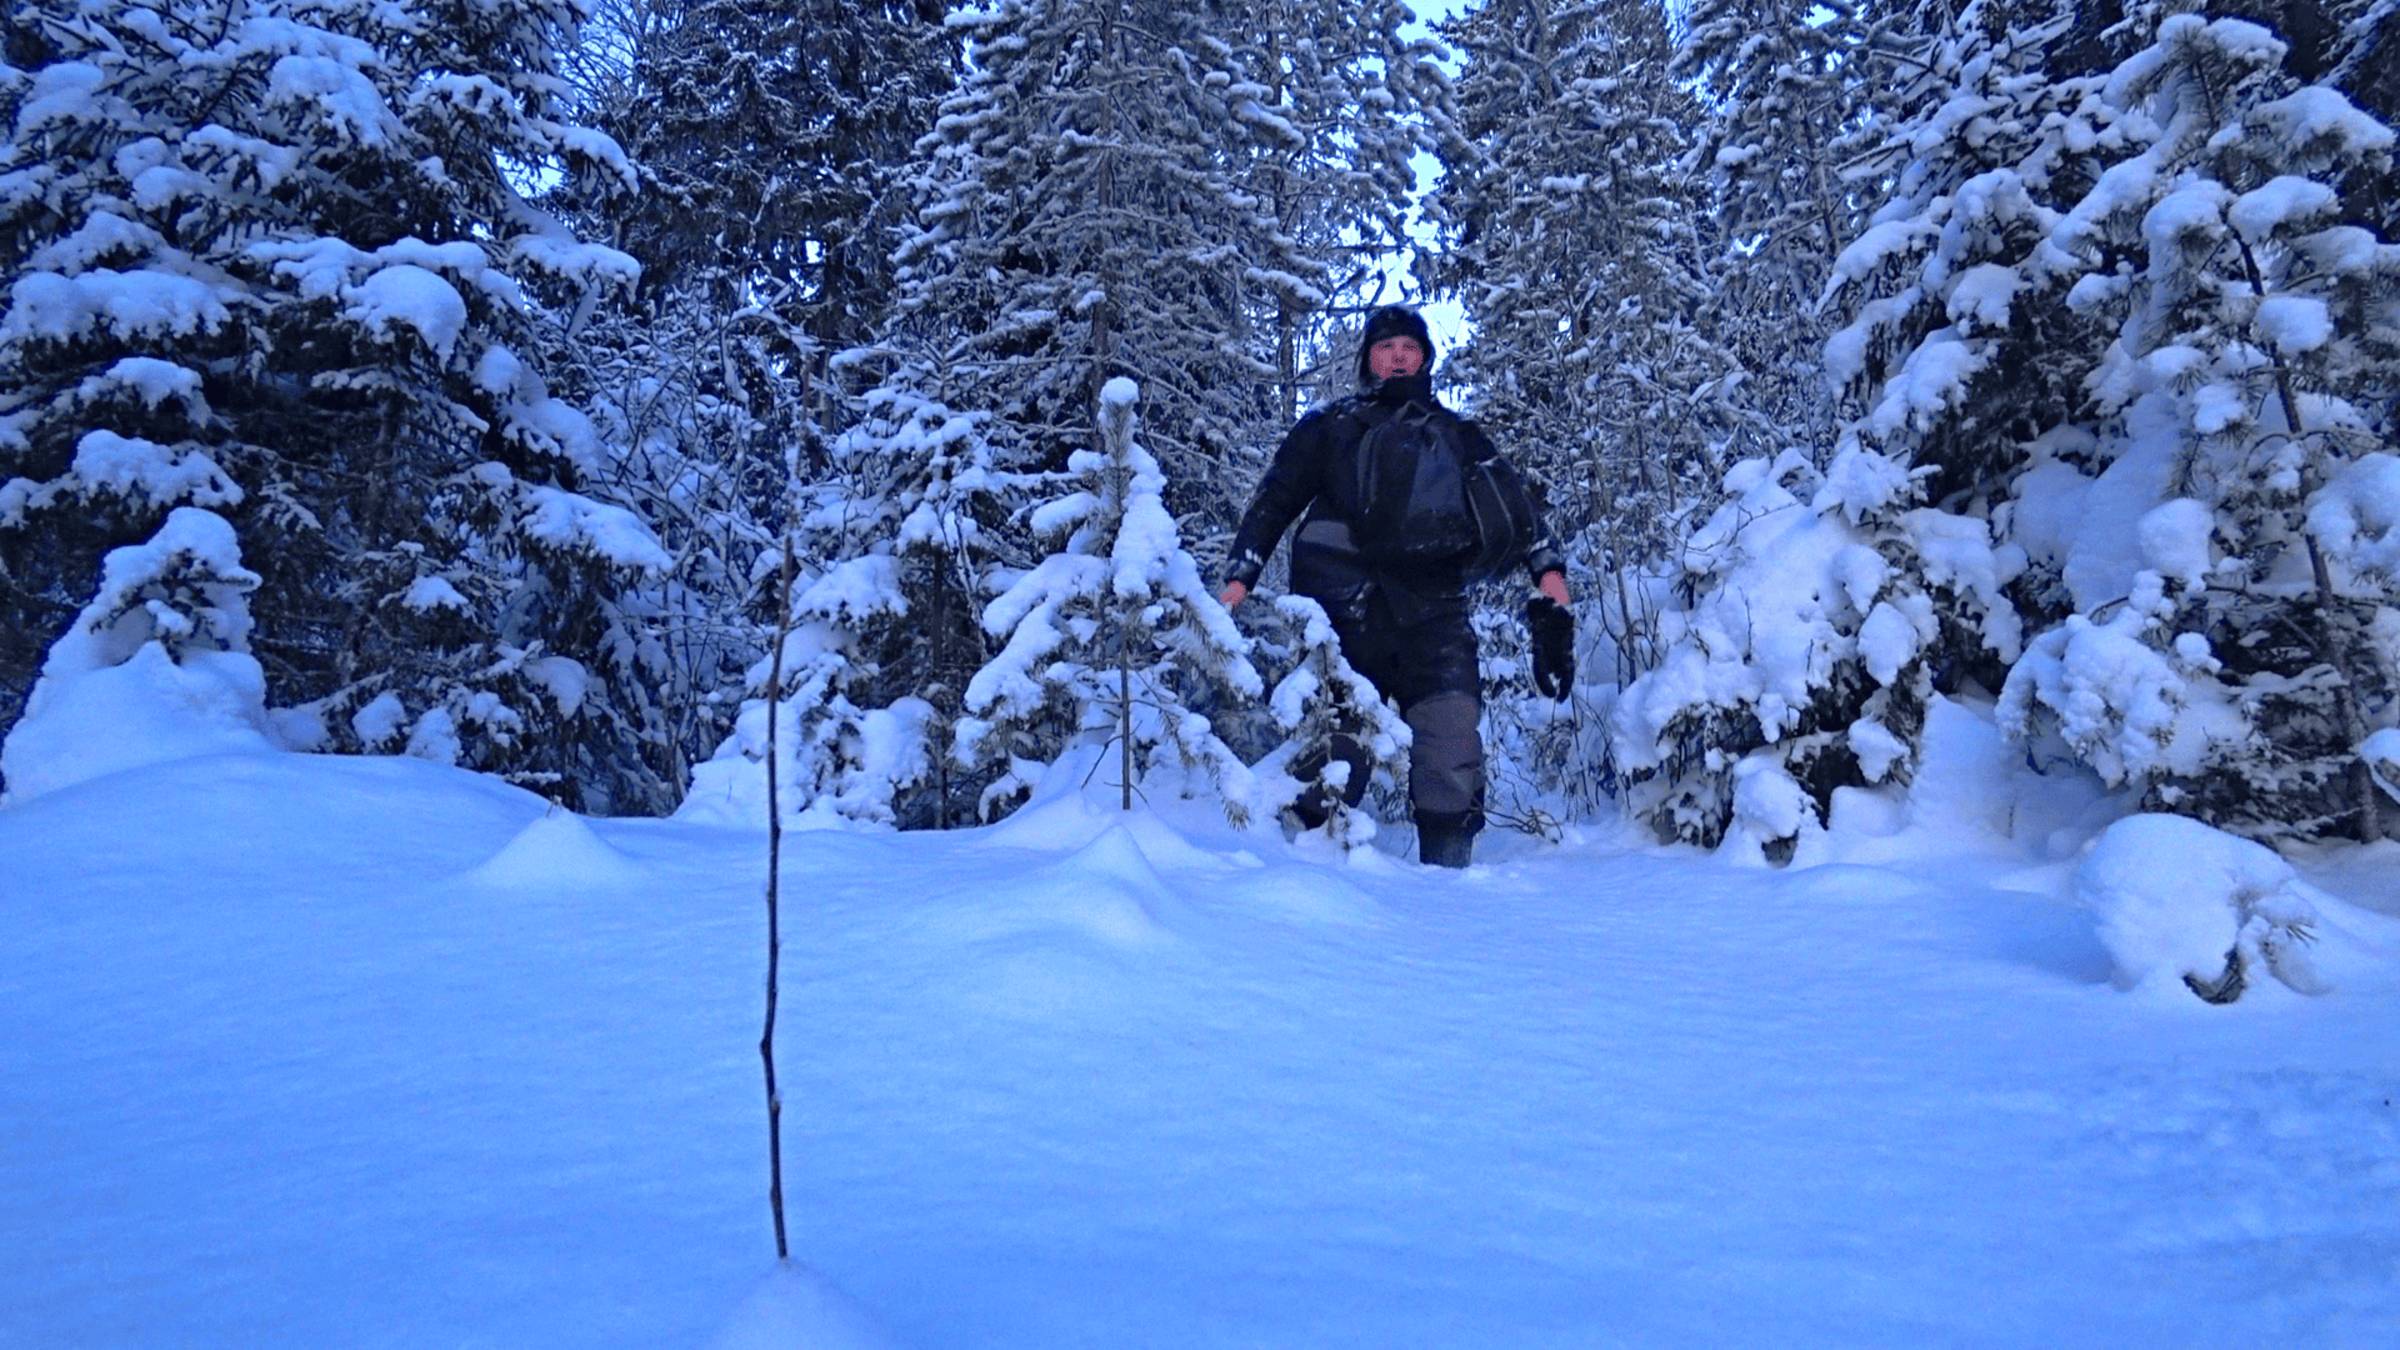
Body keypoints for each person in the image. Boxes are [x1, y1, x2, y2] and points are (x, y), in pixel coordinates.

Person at [1218, 305, 1573, 867]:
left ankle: (1448, 883)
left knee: (1452, 745)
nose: (1399, 357)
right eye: (1387, 348)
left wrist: (1552, 586)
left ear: (1426, 359)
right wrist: (1238, 581)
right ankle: (1310, 878)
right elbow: (1273, 503)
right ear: (1368, 361)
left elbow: (1521, 516)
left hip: (1435, 617)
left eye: (1411, 347)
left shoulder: (1459, 436)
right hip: (1342, 620)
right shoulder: (1329, 429)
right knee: (1333, 755)